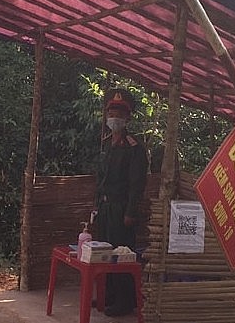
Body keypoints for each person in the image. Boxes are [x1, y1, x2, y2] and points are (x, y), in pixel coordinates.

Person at [94, 88, 148, 317]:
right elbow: (101, 180)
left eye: (119, 113)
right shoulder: (106, 144)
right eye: (111, 112)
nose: (114, 117)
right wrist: (96, 206)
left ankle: (125, 301)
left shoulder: (134, 148)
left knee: (121, 254)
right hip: (105, 208)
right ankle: (109, 295)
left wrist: (130, 212)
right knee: (104, 253)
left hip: (121, 209)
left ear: (127, 118)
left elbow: (137, 184)